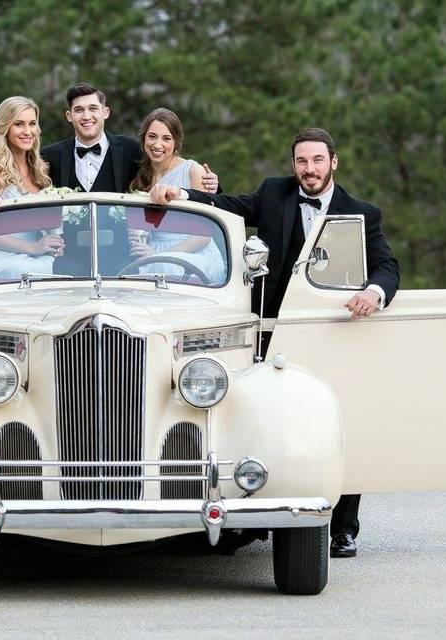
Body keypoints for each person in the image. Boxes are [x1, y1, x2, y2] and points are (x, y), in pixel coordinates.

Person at [150, 127, 400, 558]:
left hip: (334, 331)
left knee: (340, 423)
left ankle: (343, 529)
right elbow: (227, 206)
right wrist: (184, 198)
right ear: (294, 165)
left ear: (333, 163)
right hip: (275, 330)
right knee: (270, 415)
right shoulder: (273, 194)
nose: (309, 170)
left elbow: (387, 267)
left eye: (318, 161)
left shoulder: (361, 213)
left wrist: (373, 294)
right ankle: (262, 513)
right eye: (302, 162)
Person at [0, 96, 61, 283]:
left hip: (35, 258)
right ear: (5, 128)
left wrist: (52, 242)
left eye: (32, 124)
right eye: (19, 124)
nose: (27, 131)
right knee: (21, 271)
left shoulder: (40, 171)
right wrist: (32, 247)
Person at [126, 107, 224, 282]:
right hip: (151, 251)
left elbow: (203, 235)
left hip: (191, 252)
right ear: (143, 138)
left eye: (166, 138)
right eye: (152, 136)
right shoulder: (139, 174)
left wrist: (161, 256)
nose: (157, 145)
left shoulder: (192, 171)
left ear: (176, 142)